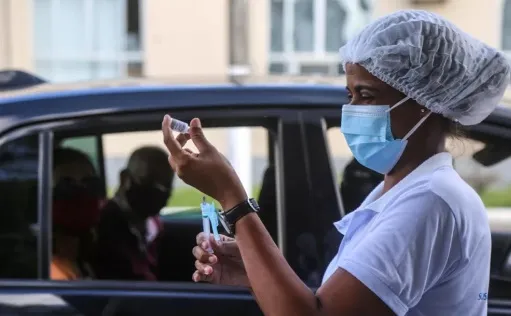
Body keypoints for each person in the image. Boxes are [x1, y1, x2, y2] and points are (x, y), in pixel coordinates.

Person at [162, 10, 510, 316]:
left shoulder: (430, 202)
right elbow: (334, 305)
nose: (352, 109)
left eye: (367, 95)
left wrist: (231, 197)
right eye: (350, 95)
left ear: (424, 102)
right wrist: (255, 272)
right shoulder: (401, 191)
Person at [93, 146, 173, 281]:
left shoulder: (154, 225)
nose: (159, 190)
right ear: (125, 178)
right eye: (148, 180)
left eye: (166, 184)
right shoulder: (101, 224)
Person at [51, 147, 102, 280]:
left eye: (90, 184)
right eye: (67, 186)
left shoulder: (85, 257)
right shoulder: (53, 269)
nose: (81, 193)